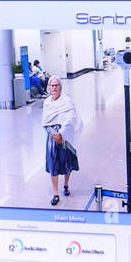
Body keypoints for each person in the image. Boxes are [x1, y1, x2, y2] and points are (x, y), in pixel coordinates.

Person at [42, 76, 80, 205]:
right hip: (52, 137)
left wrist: (61, 133)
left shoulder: (67, 101)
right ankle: (55, 193)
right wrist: (53, 134)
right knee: (53, 163)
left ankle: (66, 184)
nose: (54, 88)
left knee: (66, 161)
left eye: (56, 85)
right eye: (52, 85)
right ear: (49, 87)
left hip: (65, 135)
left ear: (60, 87)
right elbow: (45, 122)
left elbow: (72, 119)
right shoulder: (47, 102)